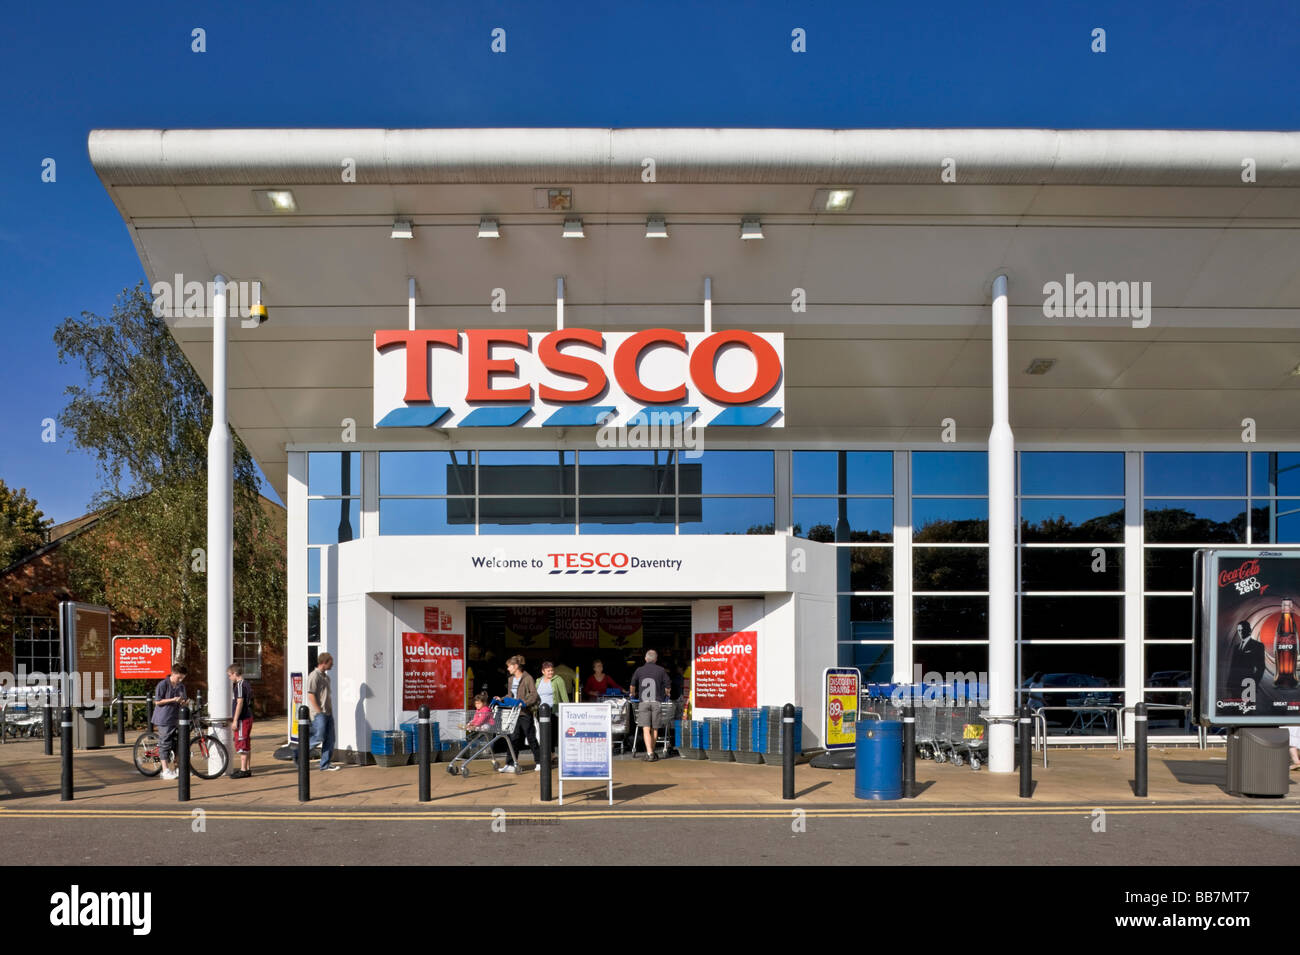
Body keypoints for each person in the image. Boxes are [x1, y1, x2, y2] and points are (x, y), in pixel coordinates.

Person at [295, 652, 338, 772]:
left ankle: (325, 764)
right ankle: (298, 753)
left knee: (330, 739)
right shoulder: (314, 676)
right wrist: (319, 711)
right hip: (319, 714)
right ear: (324, 662)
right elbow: (311, 695)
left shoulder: (326, 677)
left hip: (328, 713)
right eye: (331, 662)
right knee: (318, 737)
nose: (332, 664)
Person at [629, 650, 671, 761]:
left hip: (644, 703)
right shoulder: (661, 670)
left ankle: (649, 753)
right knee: (655, 729)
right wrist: (666, 694)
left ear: (645, 659)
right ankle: (651, 752)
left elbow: (632, 685)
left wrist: (632, 694)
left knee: (646, 728)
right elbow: (668, 685)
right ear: (656, 659)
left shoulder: (639, 670)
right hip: (656, 702)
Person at [499, 655, 538, 774]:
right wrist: (500, 699)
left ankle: (540, 762)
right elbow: (510, 696)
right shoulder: (510, 679)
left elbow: (534, 695)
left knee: (530, 737)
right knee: (512, 738)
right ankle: (510, 764)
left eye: (509, 666)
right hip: (513, 713)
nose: (507, 669)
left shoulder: (528, 678)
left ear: (516, 666)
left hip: (525, 713)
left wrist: (524, 703)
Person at [152, 664, 188, 779]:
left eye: (182, 678)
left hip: (177, 718)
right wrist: (173, 699)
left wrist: (184, 702)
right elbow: (157, 701)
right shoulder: (163, 684)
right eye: (179, 677)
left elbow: (183, 700)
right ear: (173, 674)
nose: (180, 680)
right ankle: (165, 770)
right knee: (165, 743)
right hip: (164, 718)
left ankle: (178, 768)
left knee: (179, 743)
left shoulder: (181, 686)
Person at [535, 661, 569, 767]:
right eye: (548, 671)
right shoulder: (538, 681)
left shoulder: (558, 680)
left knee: (551, 733)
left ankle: (552, 754)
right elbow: (535, 695)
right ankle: (547, 754)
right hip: (540, 711)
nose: (551, 672)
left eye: (552, 670)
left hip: (553, 710)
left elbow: (564, 695)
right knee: (542, 733)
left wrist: (566, 709)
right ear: (543, 671)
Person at [228, 663, 254, 778]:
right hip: (248, 716)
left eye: (229, 675)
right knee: (247, 742)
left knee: (241, 742)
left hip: (242, 718)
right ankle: (247, 768)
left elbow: (239, 702)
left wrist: (235, 720)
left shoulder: (239, 685)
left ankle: (243, 769)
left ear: (234, 673)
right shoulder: (247, 684)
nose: (229, 678)